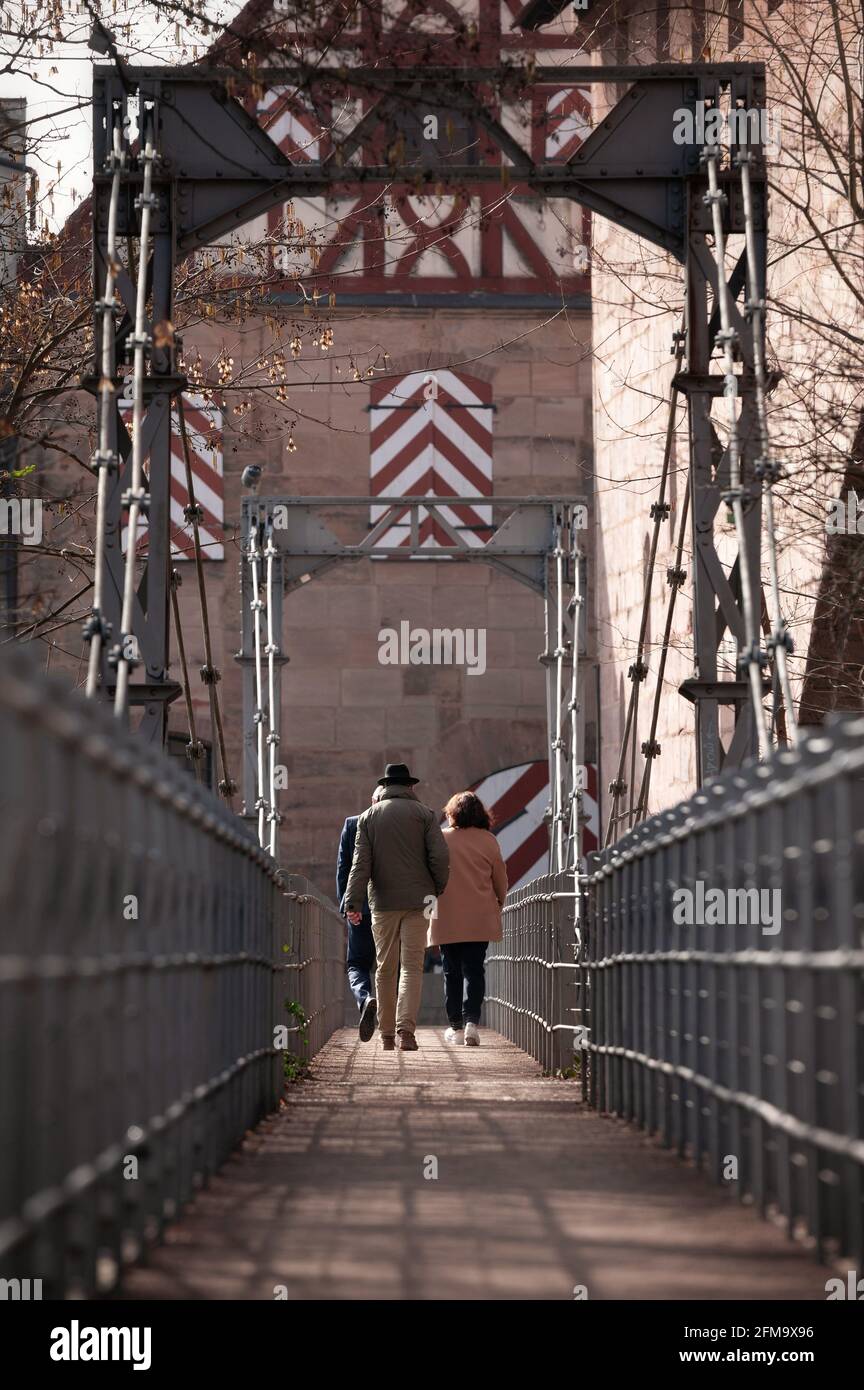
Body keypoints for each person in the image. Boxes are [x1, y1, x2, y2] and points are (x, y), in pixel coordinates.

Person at [345, 763, 449, 1053]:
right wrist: (437, 888)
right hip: (420, 902)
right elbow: (440, 857)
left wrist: (353, 902)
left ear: (386, 786)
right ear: (410, 787)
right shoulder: (426, 815)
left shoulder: (368, 817)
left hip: (382, 902)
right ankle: (407, 1032)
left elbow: (359, 865)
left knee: (385, 967)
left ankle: (386, 1035)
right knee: (412, 967)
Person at [428, 791, 507, 1047]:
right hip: (479, 916)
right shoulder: (489, 841)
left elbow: (430, 875)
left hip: (447, 916)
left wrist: (427, 911)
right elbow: (500, 881)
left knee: (451, 971)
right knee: (474, 970)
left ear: (452, 813)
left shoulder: (441, 838)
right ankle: (472, 1021)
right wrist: (499, 902)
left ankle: (455, 1027)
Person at [336, 786, 384, 1042]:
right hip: (391, 908)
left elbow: (344, 869)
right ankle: (392, 1022)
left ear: (372, 800)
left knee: (357, 963)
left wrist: (348, 907)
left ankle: (365, 998)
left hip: (361, 908)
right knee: (393, 966)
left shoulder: (353, 823)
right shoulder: (402, 824)